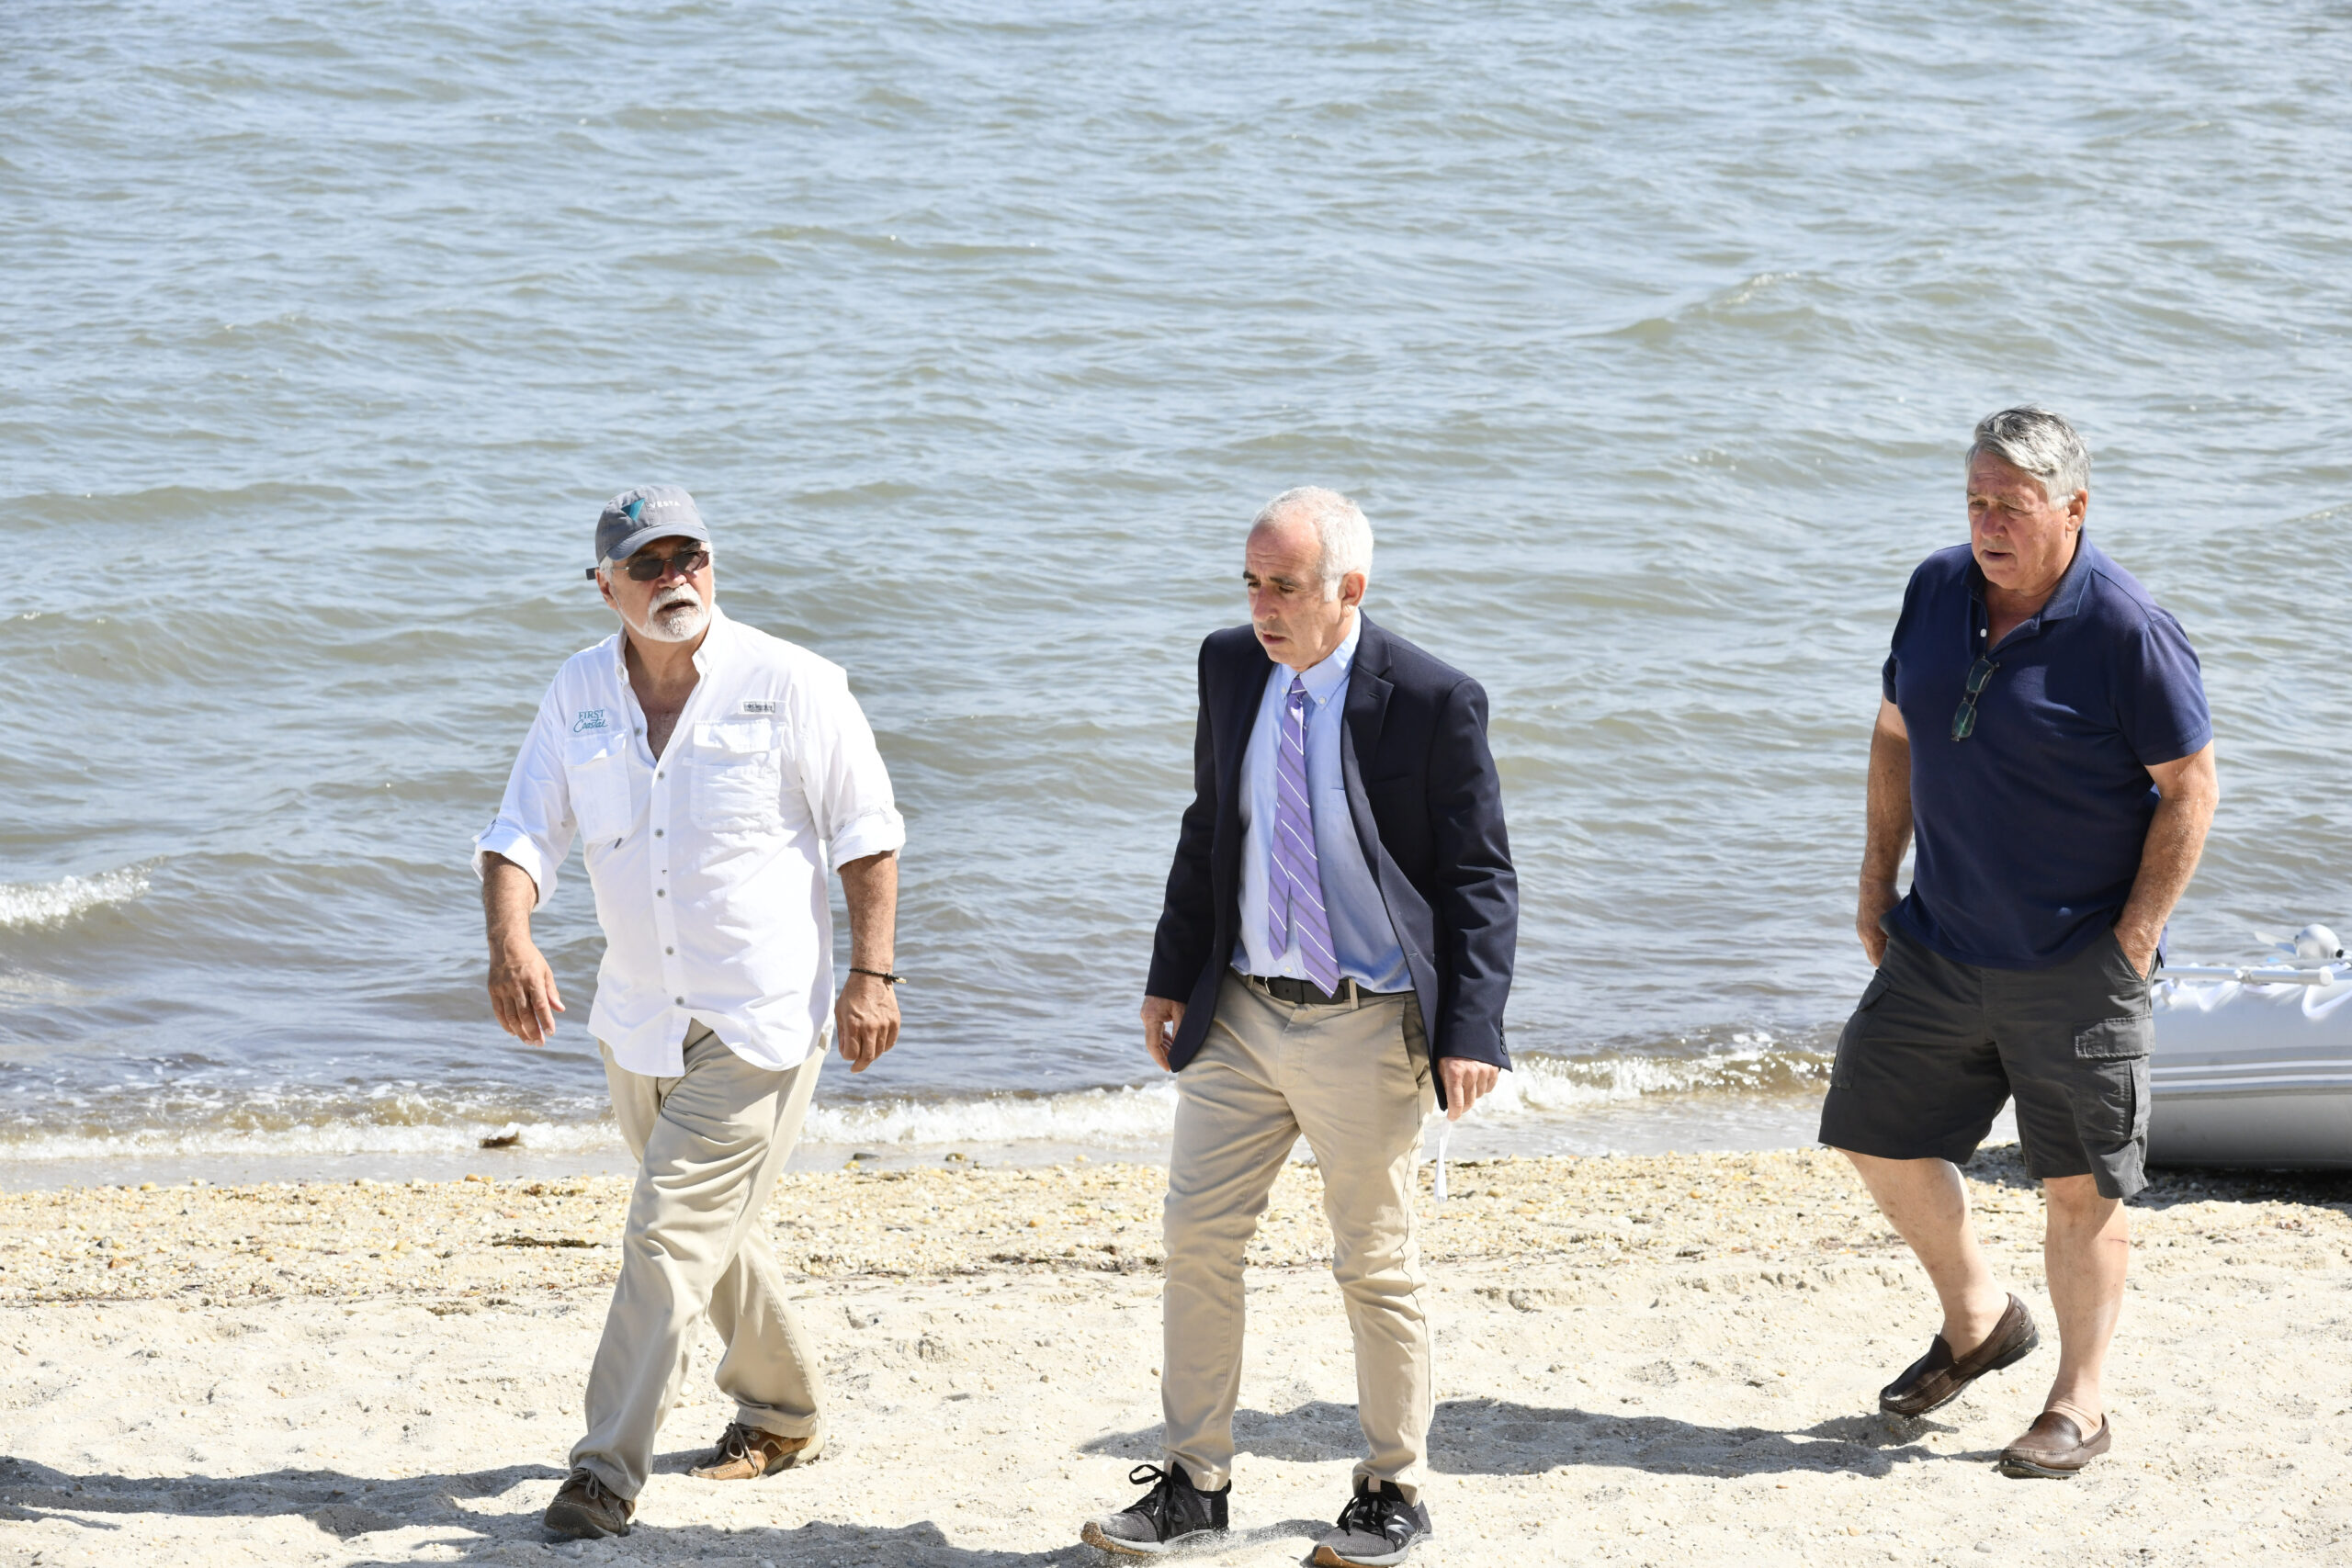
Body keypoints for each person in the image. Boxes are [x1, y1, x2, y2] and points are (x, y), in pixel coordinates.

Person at [1081, 488, 1516, 1566]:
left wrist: (1472, 1028)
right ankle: (1193, 1486)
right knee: (1196, 1241)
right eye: (1251, 581)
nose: (1262, 605)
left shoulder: (1430, 699)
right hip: (1235, 1010)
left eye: (1284, 586)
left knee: (1373, 1261)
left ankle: (1391, 1491)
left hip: (1364, 1023)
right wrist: (1168, 972)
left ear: (1347, 591)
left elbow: (1479, 878)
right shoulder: (1229, 665)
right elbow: (1207, 824)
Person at [473, 485, 906, 1540]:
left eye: (690, 558)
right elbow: (522, 832)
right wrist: (511, 939)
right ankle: (784, 1411)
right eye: (649, 564)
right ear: (605, 585)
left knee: (665, 1240)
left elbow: (867, 833)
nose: (675, 580)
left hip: (760, 1021)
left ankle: (603, 1475)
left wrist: (872, 975)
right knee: (712, 1232)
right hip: (637, 1019)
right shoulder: (576, 692)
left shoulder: (793, 682)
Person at [1820, 409, 2218, 1479]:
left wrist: (2132, 940)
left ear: (2073, 510)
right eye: (1975, 502)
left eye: (2013, 505)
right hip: (1939, 941)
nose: (1987, 524)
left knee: (2080, 1188)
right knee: (1869, 1129)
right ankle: (1980, 1319)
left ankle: (2079, 1405)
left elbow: (2190, 789)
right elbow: (1896, 728)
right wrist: (1874, 875)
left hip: (2077, 961)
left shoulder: (2125, 628)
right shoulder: (1936, 588)